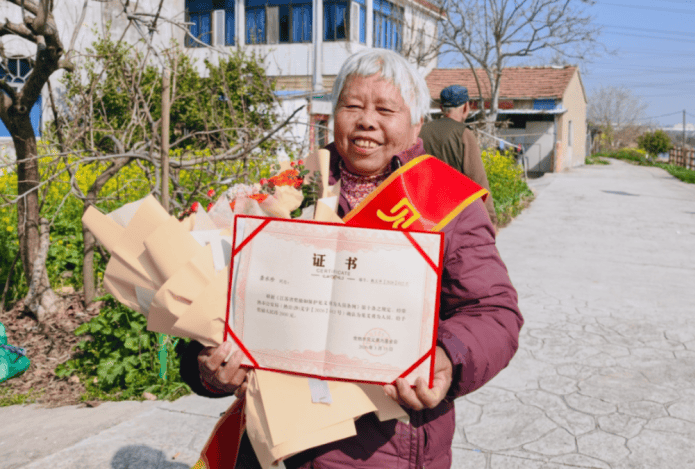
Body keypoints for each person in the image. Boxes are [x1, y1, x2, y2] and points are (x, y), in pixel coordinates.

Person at [180, 49, 523, 469]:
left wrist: (448, 358)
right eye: (352, 106)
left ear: (416, 123)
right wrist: (208, 367)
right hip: (283, 445)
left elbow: (494, 312)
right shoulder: (287, 192)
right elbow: (224, 306)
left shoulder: (446, 204)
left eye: (385, 109)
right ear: (333, 116)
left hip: (386, 447)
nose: (366, 121)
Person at [419, 85, 498, 226]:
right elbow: (478, 180)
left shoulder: (421, 132)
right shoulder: (463, 134)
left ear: (441, 108)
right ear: (466, 107)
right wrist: (491, 219)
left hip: (423, 215)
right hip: (456, 218)